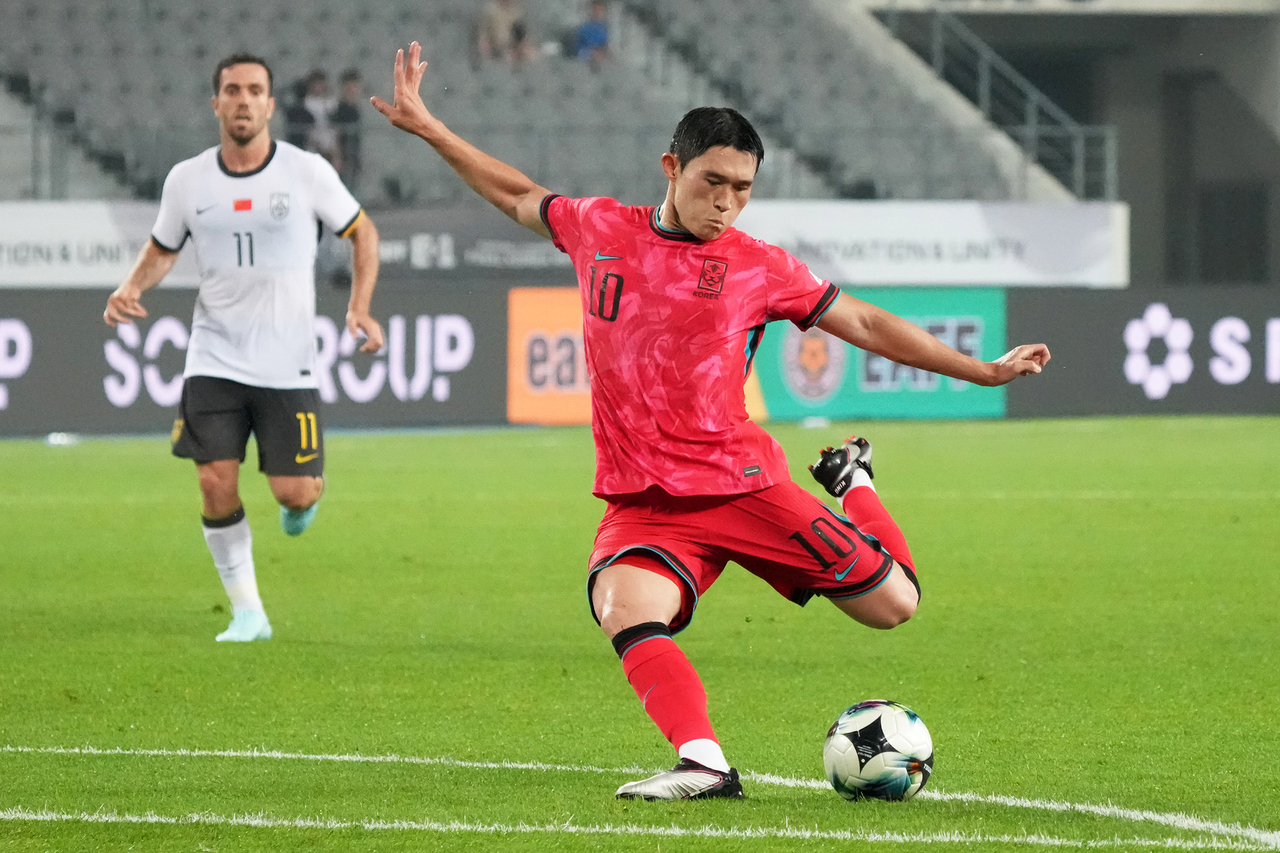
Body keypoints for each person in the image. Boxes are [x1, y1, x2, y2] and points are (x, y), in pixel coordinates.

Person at [372, 42, 1050, 799]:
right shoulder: (599, 228)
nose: (726, 201)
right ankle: (705, 762)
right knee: (624, 605)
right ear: (671, 168)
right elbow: (515, 192)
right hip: (646, 500)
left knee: (895, 605)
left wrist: (982, 368)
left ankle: (852, 481)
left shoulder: (760, 265)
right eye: (712, 181)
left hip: (742, 485)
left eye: (743, 188)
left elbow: (860, 320)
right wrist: (432, 130)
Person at [103, 53, 384, 643]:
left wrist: (358, 307)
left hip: (288, 362)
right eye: (232, 90)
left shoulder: (305, 172)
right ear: (216, 104)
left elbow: (363, 233)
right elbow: (162, 247)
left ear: (271, 105)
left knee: (295, 489)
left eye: (255, 90)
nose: (243, 100)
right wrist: (131, 286)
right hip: (214, 356)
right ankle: (248, 612)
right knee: (213, 480)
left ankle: (302, 503)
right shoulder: (187, 180)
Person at [331, 68, 364, 191]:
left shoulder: (356, 109)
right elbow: (336, 133)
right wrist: (338, 155)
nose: (353, 90)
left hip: (354, 152)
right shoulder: (340, 109)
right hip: (344, 153)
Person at [575, 0, 610, 71]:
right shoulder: (584, 28)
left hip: (603, 61)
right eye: (595, 10)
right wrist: (590, 53)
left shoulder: (606, 28)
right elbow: (577, 48)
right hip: (584, 63)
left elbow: (607, 48)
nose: (597, 13)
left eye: (600, 10)